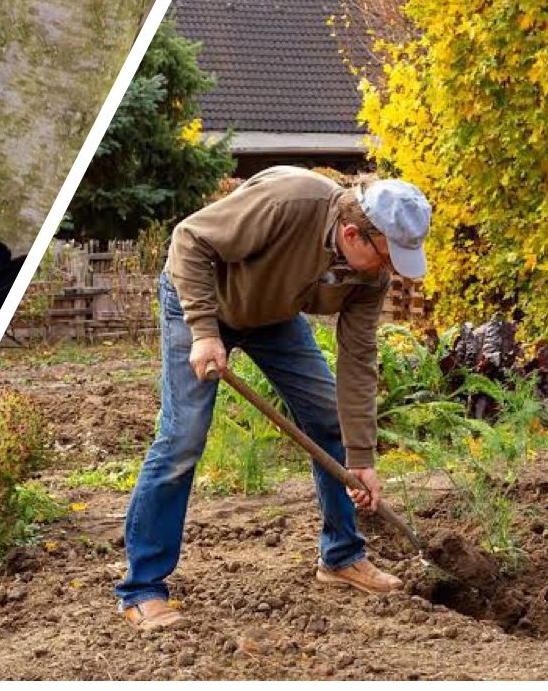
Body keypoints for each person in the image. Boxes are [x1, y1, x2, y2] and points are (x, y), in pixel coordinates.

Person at [117, 166, 432, 630]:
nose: (390, 271)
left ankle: (341, 556)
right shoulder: (290, 203)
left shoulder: (370, 279)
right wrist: (204, 331)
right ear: (353, 234)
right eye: (387, 257)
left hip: (271, 315)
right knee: (183, 437)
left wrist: (361, 457)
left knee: (328, 419)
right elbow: (189, 240)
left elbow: (359, 362)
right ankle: (142, 588)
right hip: (203, 297)